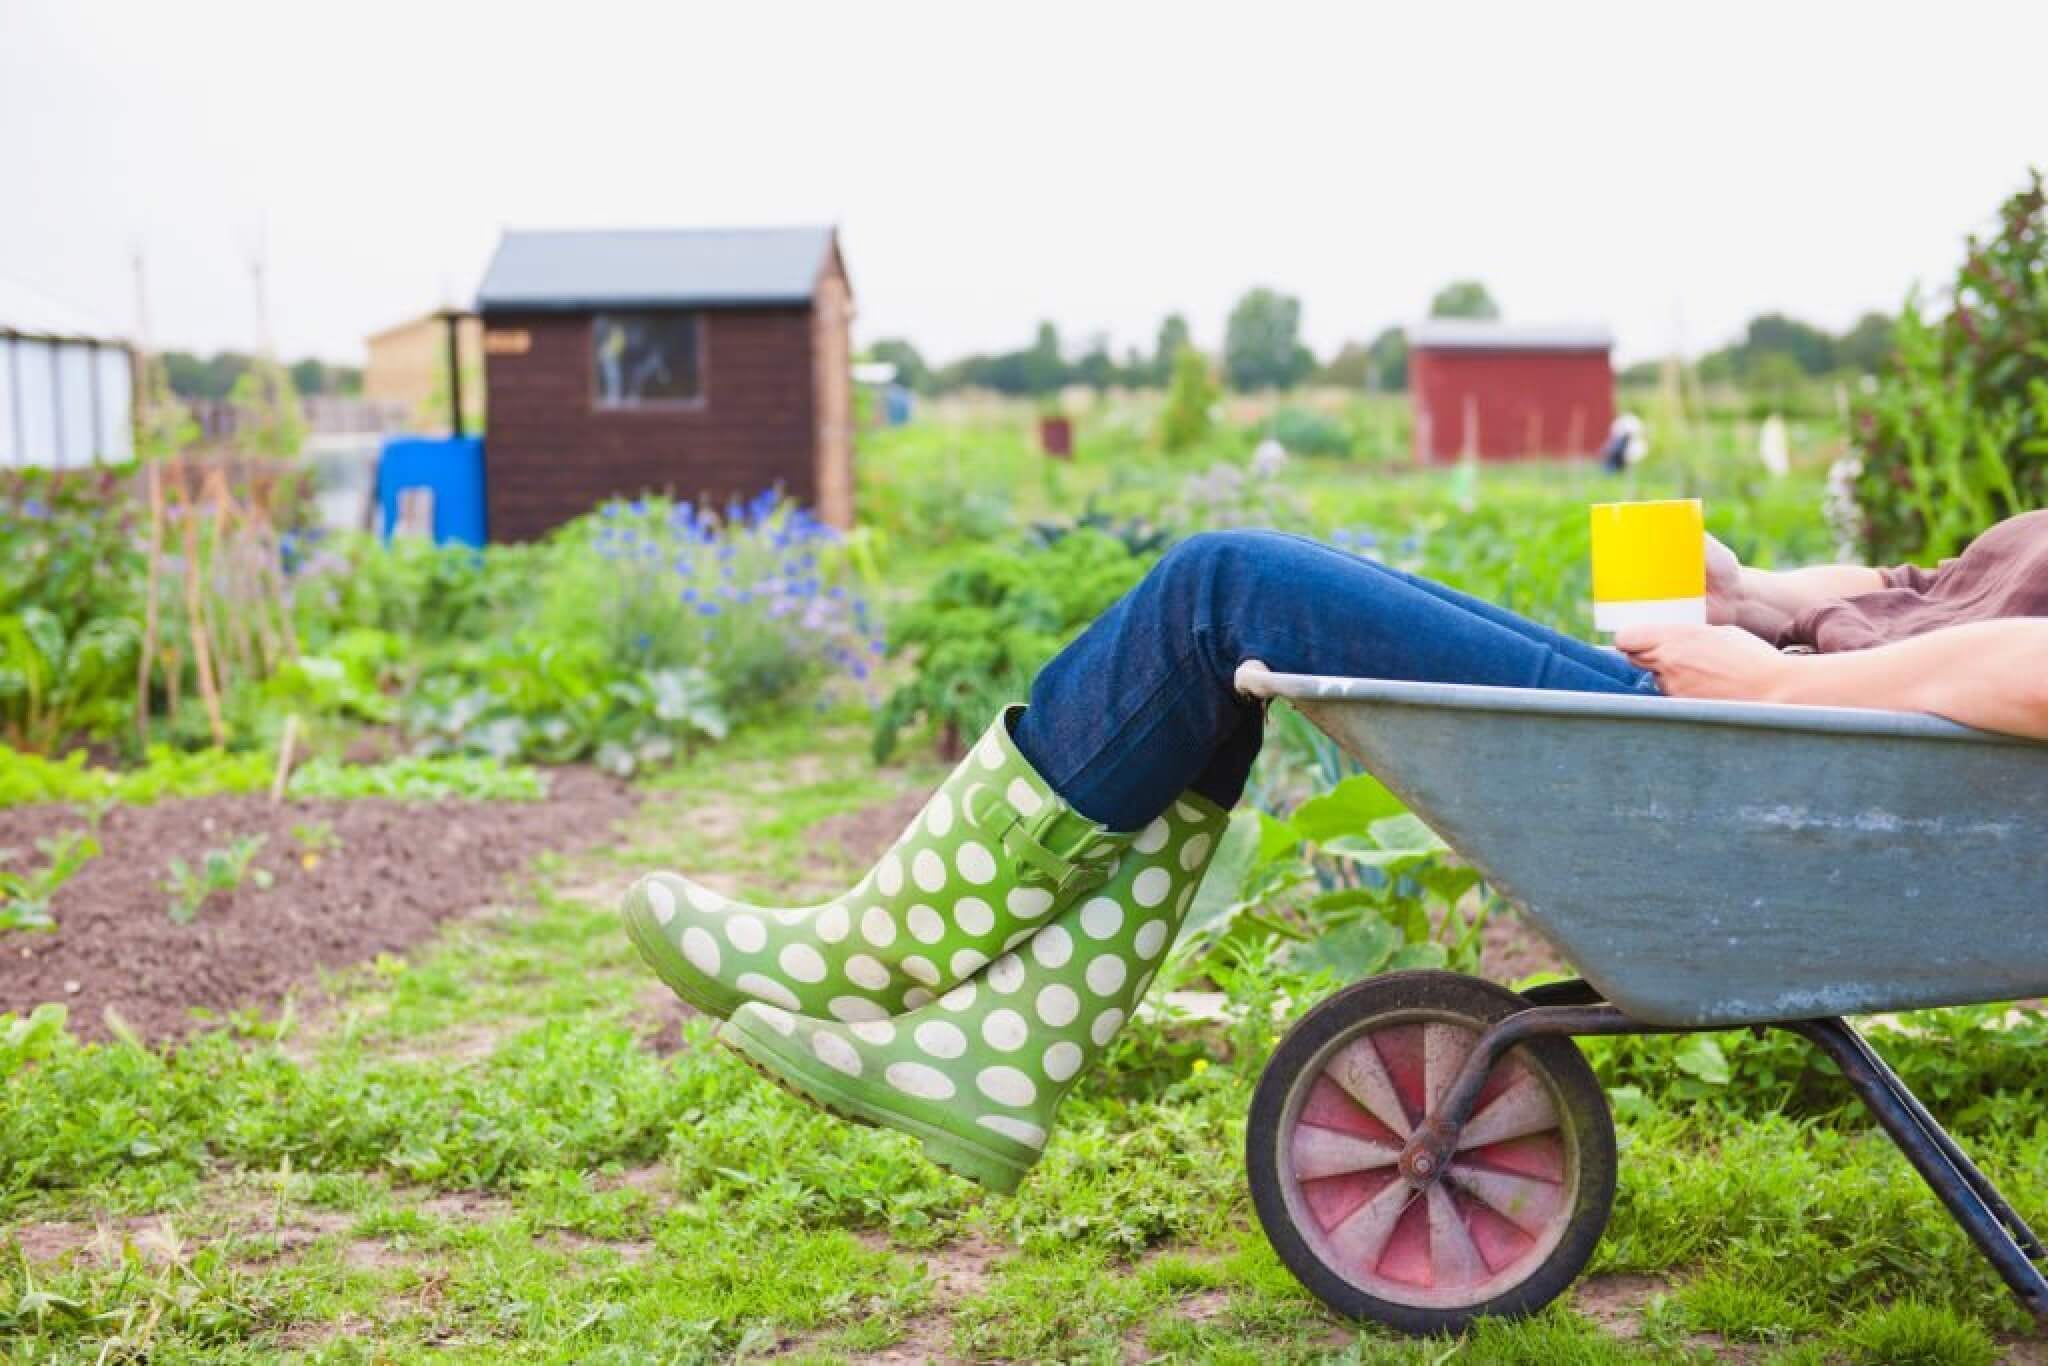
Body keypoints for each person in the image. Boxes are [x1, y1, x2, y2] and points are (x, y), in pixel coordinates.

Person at [623, 512, 2048, 1192]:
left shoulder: (1790, 706)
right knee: (1228, 619)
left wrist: (1772, 682)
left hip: (1778, 757)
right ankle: (1002, 1048)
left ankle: (889, 956)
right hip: (1780, 730)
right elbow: (1941, 595)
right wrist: (1758, 596)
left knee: (1222, 588)